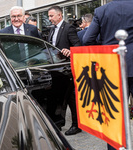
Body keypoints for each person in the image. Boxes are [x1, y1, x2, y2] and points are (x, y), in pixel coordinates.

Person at [83, 0, 133, 150]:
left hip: (112, 68)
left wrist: (106, 43)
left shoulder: (101, 11)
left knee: (113, 115)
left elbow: (87, 39)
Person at [48, 5, 82, 136]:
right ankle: (58, 123)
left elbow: (77, 45)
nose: (49, 18)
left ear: (59, 15)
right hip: (55, 69)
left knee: (71, 98)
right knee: (59, 97)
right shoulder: (52, 30)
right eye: (49, 16)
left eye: (51, 16)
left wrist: (70, 50)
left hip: (67, 69)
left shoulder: (69, 28)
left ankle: (76, 125)